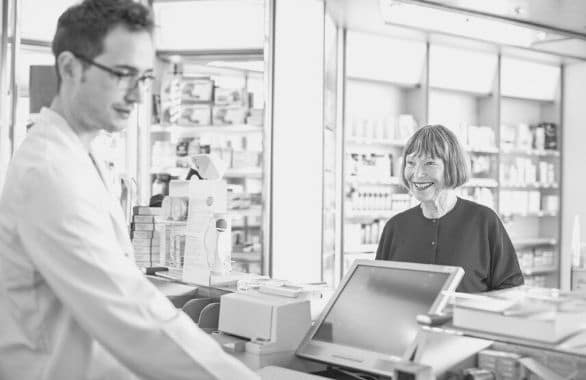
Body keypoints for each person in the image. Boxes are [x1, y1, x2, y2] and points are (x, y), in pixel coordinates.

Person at [0, 1, 259, 379]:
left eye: (143, 78)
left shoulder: (82, 153)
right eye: (122, 74)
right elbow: (132, 317)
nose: (137, 96)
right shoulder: (50, 172)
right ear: (70, 67)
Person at [375, 124, 524, 293]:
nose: (417, 173)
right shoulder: (396, 227)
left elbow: (511, 288)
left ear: (452, 166)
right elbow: (380, 290)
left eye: (429, 163)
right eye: (411, 162)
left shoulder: (483, 221)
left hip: (466, 320)